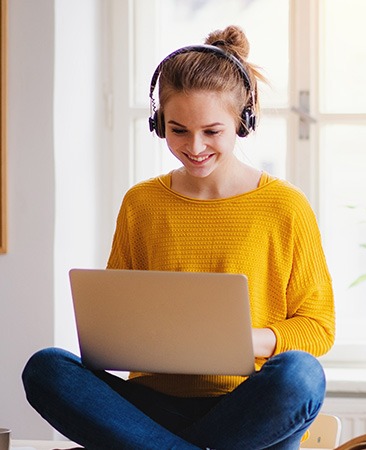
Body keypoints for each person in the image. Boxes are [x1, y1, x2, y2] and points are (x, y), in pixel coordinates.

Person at [22, 25, 335, 450]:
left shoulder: (285, 206)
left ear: (242, 121)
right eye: (178, 130)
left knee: (301, 374)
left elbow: (317, 328)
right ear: (159, 123)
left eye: (212, 131)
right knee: (46, 369)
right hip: (152, 407)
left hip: (248, 407)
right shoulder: (142, 203)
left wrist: (240, 340)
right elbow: (115, 320)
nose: (195, 146)